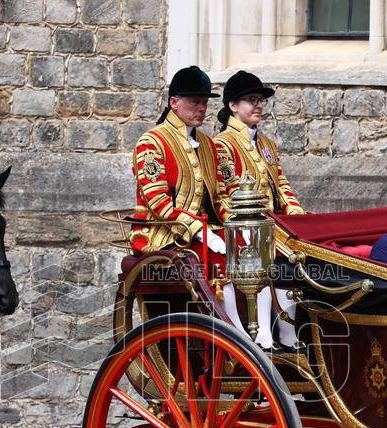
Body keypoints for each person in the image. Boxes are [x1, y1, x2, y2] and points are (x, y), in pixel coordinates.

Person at [130, 65, 250, 333]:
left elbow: (218, 197)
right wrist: (198, 231)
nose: (202, 108)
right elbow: (158, 203)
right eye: (195, 102)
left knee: (250, 250)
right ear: (174, 103)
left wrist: (236, 224)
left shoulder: (207, 144)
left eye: (205, 102)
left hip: (206, 230)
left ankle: (257, 328)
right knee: (217, 258)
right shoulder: (152, 142)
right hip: (161, 234)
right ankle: (235, 333)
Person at [214, 70, 303, 350]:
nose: (258, 106)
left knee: (296, 261)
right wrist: (247, 228)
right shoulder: (222, 145)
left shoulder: (266, 145)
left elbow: (282, 185)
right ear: (232, 106)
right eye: (251, 100)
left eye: (260, 100)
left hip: (275, 225)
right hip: (245, 227)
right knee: (265, 257)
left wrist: (297, 216)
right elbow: (227, 193)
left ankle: (288, 334)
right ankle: (263, 332)